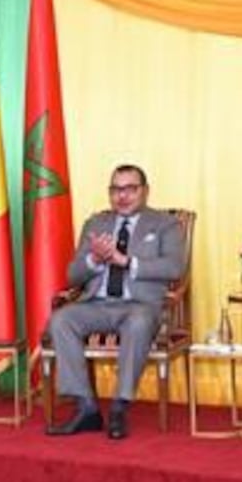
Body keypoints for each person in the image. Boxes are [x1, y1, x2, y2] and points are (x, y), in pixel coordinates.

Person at [46, 164, 186, 440]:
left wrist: (127, 262)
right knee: (61, 319)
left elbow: (174, 268)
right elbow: (73, 275)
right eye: (115, 189)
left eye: (129, 189)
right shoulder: (95, 224)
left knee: (138, 322)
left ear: (145, 191)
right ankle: (86, 407)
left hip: (139, 306)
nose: (122, 196)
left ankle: (119, 407)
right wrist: (94, 261)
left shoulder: (165, 224)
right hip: (97, 304)